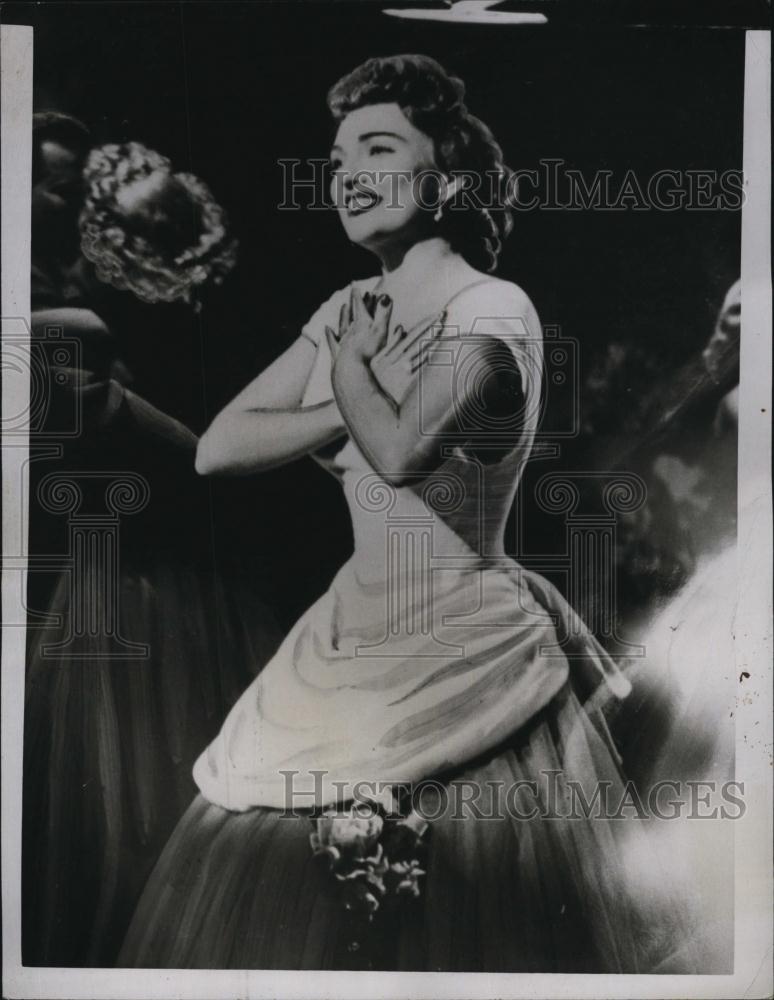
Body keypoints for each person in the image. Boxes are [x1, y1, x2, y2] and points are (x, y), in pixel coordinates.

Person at [119, 55, 700, 972]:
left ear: (451, 178)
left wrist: (350, 375)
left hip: (462, 626)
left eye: (378, 148)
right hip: (355, 621)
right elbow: (218, 447)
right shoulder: (353, 306)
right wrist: (348, 392)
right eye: (339, 157)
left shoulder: (493, 306)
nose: (347, 174)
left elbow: (398, 455)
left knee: (464, 907)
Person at [23, 137, 280, 966]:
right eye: (50, 182)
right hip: (134, 558)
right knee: (128, 768)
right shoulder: (77, 300)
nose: (57, 193)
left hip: (212, 551)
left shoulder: (219, 279)